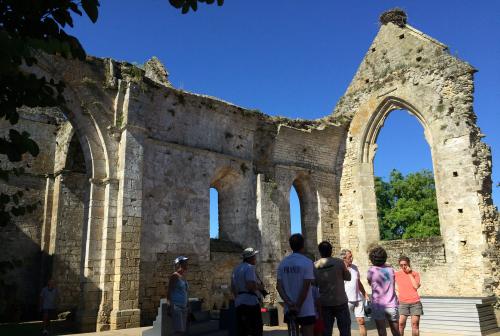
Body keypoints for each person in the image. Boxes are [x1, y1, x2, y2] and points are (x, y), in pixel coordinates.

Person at [277, 234, 316, 336]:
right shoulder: (307, 262)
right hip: (306, 308)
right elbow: (306, 286)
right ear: (303, 245)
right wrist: (298, 305)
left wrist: (289, 303)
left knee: (293, 334)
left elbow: (279, 287)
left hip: (289, 309)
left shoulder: (283, 263)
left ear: (291, 246)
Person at [314, 241, 351, 336]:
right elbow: (348, 277)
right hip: (340, 301)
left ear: (320, 251)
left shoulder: (315, 266)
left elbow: (314, 284)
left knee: (326, 331)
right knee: (345, 330)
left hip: (325, 303)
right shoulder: (339, 262)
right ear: (331, 250)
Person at [367, 246, 400, 336]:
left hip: (378, 305)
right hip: (392, 304)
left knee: (381, 331)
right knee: (396, 332)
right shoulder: (391, 270)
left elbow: (370, 283)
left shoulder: (371, 271)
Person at [231, 247, 264, 336]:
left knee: (242, 331)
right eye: (254, 256)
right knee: (256, 330)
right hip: (250, 303)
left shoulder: (236, 269)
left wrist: (238, 298)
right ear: (250, 258)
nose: (255, 259)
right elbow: (250, 286)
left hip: (239, 303)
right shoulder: (250, 268)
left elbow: (233, 288)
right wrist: (260, 287)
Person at [341, 249, 370, 336]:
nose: (352, 258)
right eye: (349, 257)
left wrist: (365, 294)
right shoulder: (340, 269)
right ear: (344, 258)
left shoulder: (355, 267)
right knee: (345, 324)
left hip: (358, 299)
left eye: (351, 256)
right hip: (346, 300)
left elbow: (358, 282)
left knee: (361, 322)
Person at [395, 256, 423, 336]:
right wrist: (396, 290)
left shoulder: (415, 274)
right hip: (403, 302)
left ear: (409, 264)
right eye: (401, 265)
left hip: (415, 303)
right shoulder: (397, 274)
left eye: (405, 264)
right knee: (400, 324)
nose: (403, 267)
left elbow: (416, 286)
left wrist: (410, 274)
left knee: (415, 325)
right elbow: (387, 282)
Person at [167, 256, 189, 335]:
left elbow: (185, 291)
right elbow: (169, 291)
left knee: (182, 330)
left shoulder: (183, 276)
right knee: (178, 331)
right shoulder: (174, 276)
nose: (187, 264)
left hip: (184, 307)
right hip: (176, 307)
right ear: (180, 264)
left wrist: (188, 304)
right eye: (185, 263)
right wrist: (169, 306)